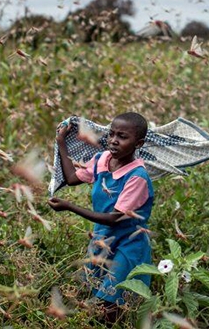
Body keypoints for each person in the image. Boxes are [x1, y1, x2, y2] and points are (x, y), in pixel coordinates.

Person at [48, 112, 154, 325]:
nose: (114, 140)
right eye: (111, 134)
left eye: (122, 137)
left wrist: (70, 206)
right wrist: (61, 142)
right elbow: (71, 178)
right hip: (102, 240)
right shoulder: (102, 159)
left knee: (110, 305)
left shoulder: (137, 177)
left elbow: (114, 218)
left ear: (138, 143)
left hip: (128, 244)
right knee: (92, 294)